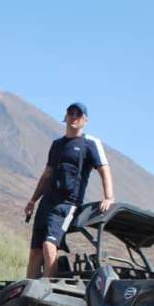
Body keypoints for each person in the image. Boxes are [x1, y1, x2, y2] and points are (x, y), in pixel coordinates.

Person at [24, 102, 115, 278]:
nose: (74, 117)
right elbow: (47, 175)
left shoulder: (90, 143)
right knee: (35, 252)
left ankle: (47, 291)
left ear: (85, 120)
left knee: (49, 247)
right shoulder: (57, 144)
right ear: (65, 117)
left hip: (66, 204)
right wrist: (33, 200)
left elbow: (104, 169)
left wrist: (109, 197)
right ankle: (29, 292)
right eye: (70, 113)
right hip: (46, 202)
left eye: (78, 114)